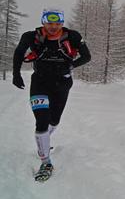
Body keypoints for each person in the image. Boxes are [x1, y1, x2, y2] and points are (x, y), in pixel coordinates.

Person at [12, 9, 91, 182]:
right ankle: (46, 161)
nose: (53, 27)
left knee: (54, 120)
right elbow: (19, 52)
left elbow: (87, 56)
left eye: (57, 24)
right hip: (40, 82)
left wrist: (71, 66)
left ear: (62, 23)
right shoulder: (31, 36)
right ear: (43, 22)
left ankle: (45, 140)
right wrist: (16, 73)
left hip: (62, 83)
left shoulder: (73, 36)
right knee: (41, 119)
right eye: (49, 23)